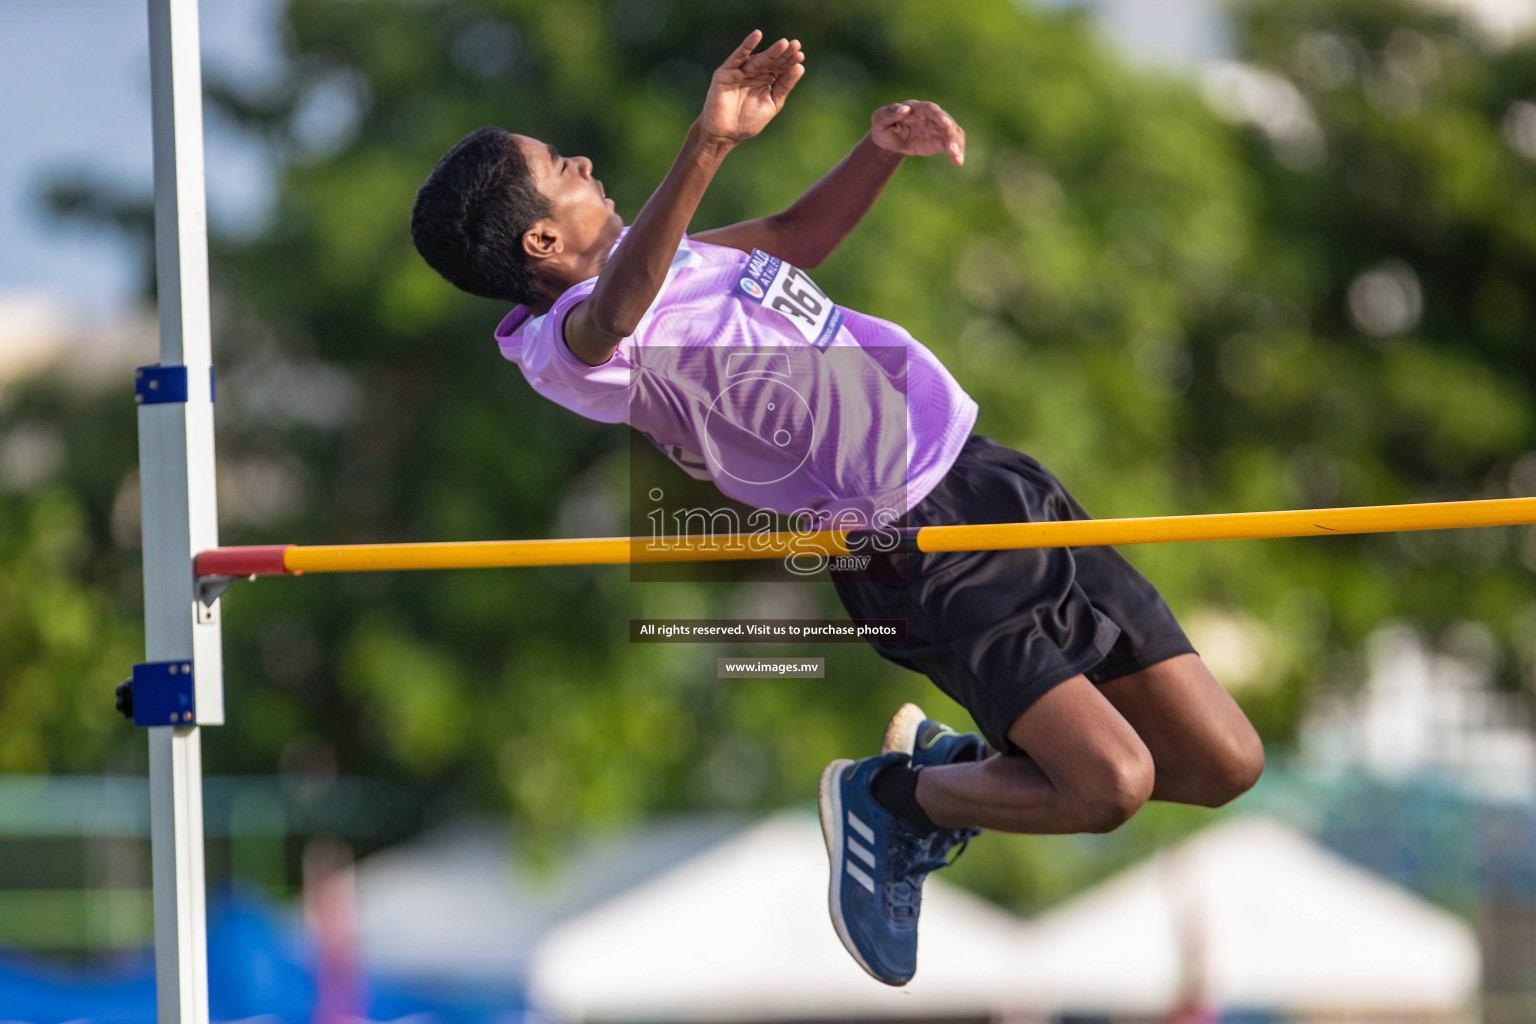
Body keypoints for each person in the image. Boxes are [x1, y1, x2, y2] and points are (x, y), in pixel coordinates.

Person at [409, 30, 1265, 987]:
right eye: (560, 167)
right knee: (1112, 784)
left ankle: (958, 767)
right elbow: (618, 307)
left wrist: (880, 153)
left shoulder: (679, 258)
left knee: (1221, 763)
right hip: (913, 545)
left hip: (993, 482)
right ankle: (899, 797)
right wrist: (708, 140)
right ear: (540, 240)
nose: (585, 162)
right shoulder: (568, 344)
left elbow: (793, 241)